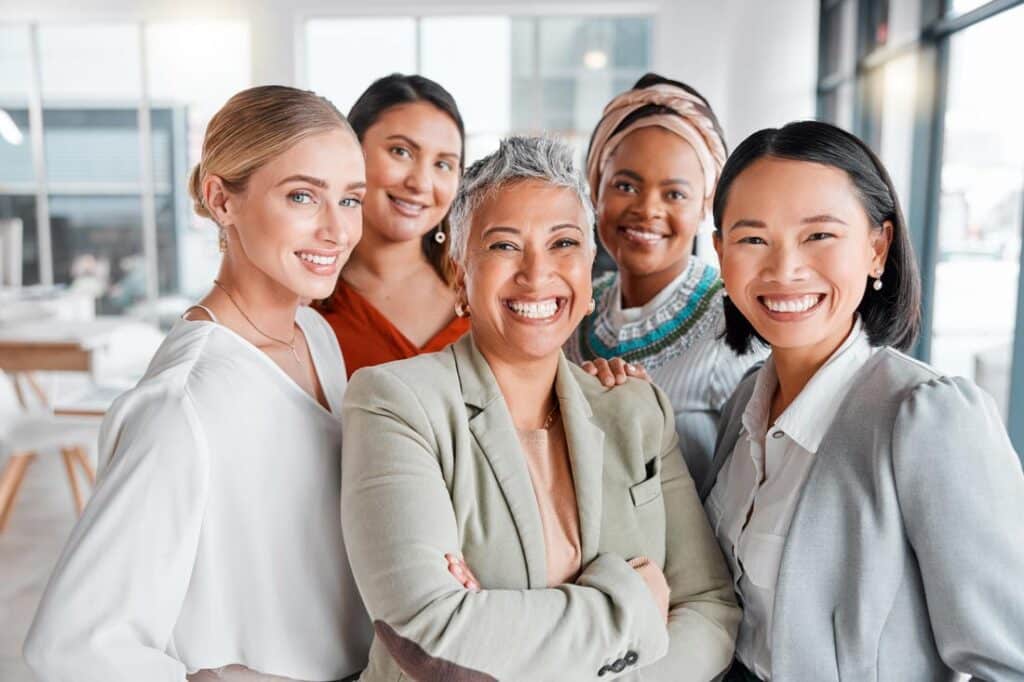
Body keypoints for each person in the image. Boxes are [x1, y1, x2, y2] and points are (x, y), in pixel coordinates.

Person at [341, 136, 739, 681]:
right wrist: (634, 607)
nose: (537, 272)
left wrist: (508, 632)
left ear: (590, 274)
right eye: (505, 246)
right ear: (460, 276)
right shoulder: (396, 404)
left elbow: (711, 606)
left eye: (563, 244)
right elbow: (429, 633)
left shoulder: (636, 410)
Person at [24, 86, 371, 682]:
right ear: (221, 200)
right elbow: (70, 646)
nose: (336, 230)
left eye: (350, 199)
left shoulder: (314, 335)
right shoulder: (183, 403)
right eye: (302, 196)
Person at [701, 120, 1024, 681]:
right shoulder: (746, 399)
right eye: (753, 238)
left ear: (878, 247)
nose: (784, 269)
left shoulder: (928, 417)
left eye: (819, 235)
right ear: (720, 252)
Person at [565, 73, 765, 484]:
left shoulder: (736, 325)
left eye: (674, 194)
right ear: (595, 189)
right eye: (625, 185)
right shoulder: (574, 313)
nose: (647, 209)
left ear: (705, 205)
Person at [317, 74, 468, 376]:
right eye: (401, 152)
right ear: (351, 151)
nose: (421, 183)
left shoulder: (483, 290)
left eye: (443, 164)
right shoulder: (305, 302)